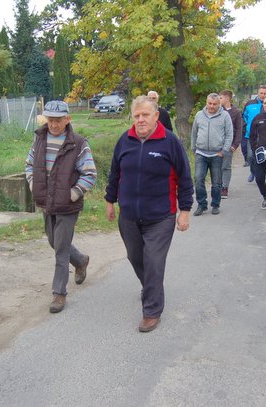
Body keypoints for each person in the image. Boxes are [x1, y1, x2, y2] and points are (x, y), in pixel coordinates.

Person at [105, 96, 193, 333]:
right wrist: (109, 201)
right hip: (129, 215)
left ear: (156, 116)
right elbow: (115, 173)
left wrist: (185, 211)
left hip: (161, 215)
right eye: (137, 115)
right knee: (136, 258)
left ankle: (151, 310)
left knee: (154, 261)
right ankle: (151, 286)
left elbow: (185, 179)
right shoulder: (125, 141)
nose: (141, 119)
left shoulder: (169, 142)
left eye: (145, 115)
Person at [25, 100, 97, 313]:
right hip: (46, 202)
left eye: (58, 120)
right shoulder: (39, 139)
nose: (54, 124)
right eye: (50, 120)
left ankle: (59, 293)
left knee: (61, 249)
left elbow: (90, 174)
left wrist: (73, 194)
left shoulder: (78, 143)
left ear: (68, 119)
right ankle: (81, 260)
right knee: (53, 241)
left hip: (67, 205)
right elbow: (29, 165)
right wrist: (32, 183)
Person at [190, 93, 233, 216]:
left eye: (214, 104)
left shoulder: (225, 116)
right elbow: (194, 132)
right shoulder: (199, 115)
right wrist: (194, 148)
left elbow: (229, 134)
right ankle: (201, 204)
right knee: (198, 179)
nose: (212, 106)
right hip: (201, 153)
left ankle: (215, 204)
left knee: (216, 182)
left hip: (217, 154)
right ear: (206, 102)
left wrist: (224, 151)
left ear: (219, 104)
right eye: (209, 103)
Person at [242, 86, 266, 182]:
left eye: (265, 93)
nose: (263, 95)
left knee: (263, 156)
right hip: (251, 135)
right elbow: (243, 116)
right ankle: (253, 172)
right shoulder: (250, 104)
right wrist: (246, 126)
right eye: (261, 93)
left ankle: (260, 174)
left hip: (265, 136)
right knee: (250, 156)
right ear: (258, 93)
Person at [219, 90, 243, 199]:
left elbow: (239, 129)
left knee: (226, 166)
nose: (219, 100)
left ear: (227, 99)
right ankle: (218, 186)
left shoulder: (236, 112)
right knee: (217, 166)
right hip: (217, 144)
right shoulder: (218, 111)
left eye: (221, 98)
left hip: (229, 144)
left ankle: (225, 187)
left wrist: (235, 145)